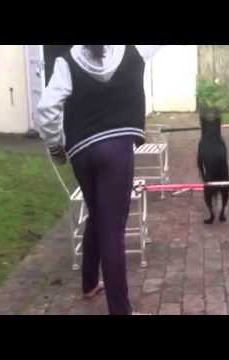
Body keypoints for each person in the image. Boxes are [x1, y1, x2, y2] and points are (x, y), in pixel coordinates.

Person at [36, 45, 165, 315]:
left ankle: (89, 283)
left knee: (97, 214)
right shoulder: (135, 50)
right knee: (112, 230)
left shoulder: (66, 60)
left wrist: (56, 147)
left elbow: (46, 109)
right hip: (117, 151)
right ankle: (121, 310)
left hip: (82, 152)